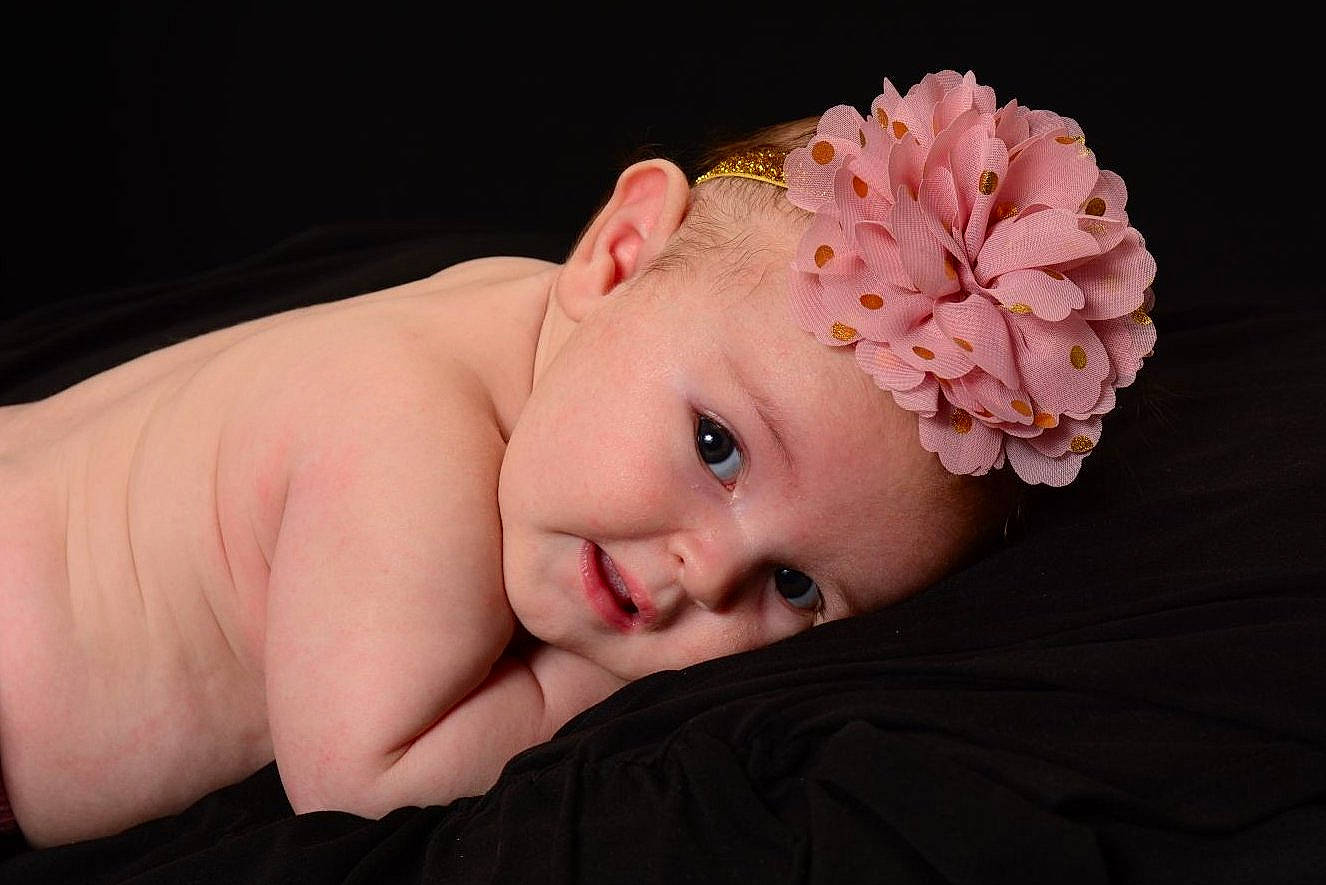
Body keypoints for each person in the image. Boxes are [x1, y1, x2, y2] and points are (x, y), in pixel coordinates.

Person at [0, 69, 1155, 849]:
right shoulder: (411, 445)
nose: (707, 579)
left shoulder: (511, 316)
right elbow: (360, 782)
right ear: (615, 258)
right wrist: (598, 682)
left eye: (796, 588)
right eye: (716, 446)